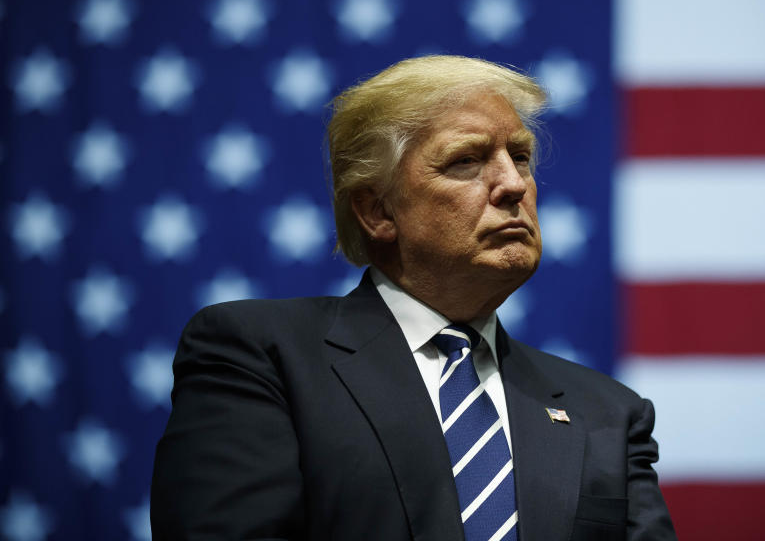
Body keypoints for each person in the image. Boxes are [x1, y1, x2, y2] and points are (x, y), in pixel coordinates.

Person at [151, 55, 676, 540]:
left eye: (520, 156)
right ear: (377, 212)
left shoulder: (608, 412)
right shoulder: (262, 357)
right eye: (467, 161)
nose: (514, 184)